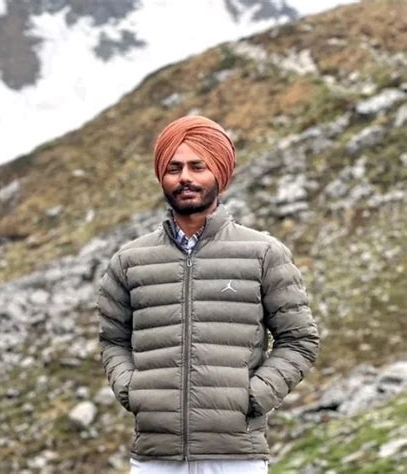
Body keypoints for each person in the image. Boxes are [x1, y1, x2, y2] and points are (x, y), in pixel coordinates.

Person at [97, 115, 319, 473]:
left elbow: (299, 340)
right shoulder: (130, 260)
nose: (185, 177)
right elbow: (113, 340)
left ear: (219, 172)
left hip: (237, 458)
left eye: (197, 166)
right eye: (174, 168)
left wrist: (253, 397)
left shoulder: (263, 254)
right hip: (155, 459)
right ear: (162, 177)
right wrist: (132, 391)